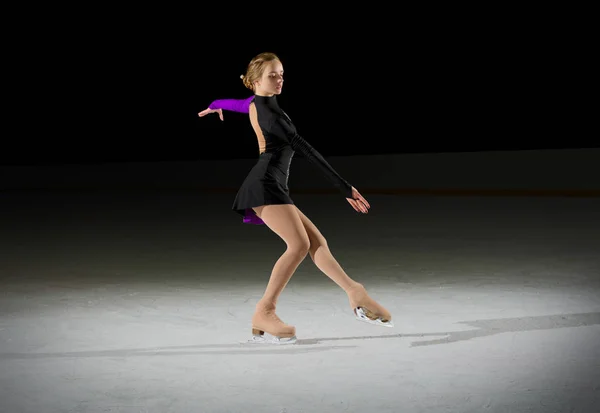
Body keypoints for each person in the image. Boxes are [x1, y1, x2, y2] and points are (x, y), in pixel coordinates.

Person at [198, 52, 392, 344]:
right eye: (272, 76)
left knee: (316, 243)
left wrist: (215, 105)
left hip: (272, 184)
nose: (279, 80)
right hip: (264, 184)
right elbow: (308, 151)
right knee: (299, 244)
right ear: (254, 81)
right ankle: (264, 310)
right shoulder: (271, 114)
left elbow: (236, 104)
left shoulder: (254, 104)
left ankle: (356, 292)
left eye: (281, 74)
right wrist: (344, 187)